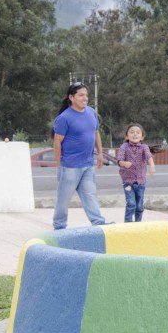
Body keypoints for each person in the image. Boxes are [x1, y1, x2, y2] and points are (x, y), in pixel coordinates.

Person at [52, 83, 106, 230]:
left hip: (88, 165)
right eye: (81, 95)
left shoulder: (91, 112)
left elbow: (96, 133)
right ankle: (59, 225)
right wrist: (59, 165)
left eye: (86, 95)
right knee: (64, 199)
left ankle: (98, 222)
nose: (85, 98)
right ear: (71, 97)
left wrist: (100, 153)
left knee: (90, 195)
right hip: (69, 166)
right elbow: (57, 143)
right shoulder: (64, 118)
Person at [116, 123, 156, 223]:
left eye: (138, 132)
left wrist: (152, 165)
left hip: (140, 182)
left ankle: (138, 223)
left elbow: (148, 156)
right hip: (127, 182)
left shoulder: (144, 147)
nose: (135, 134)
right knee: (131, 204)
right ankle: (128, 224)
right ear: (126, 136)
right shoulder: (124, 147)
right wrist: (124, 163)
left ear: (142, 137)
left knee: (139, 205)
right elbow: (119, 160)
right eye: (132, 132)